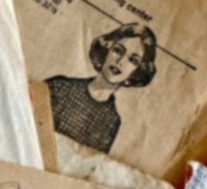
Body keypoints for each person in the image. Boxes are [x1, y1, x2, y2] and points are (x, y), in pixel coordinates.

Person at [46, 23, 157, 154]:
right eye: (118, 50)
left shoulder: (112, 121)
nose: (120, 61)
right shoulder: (59, 87)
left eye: (133, 60)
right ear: (106, 50)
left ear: (137, 71)